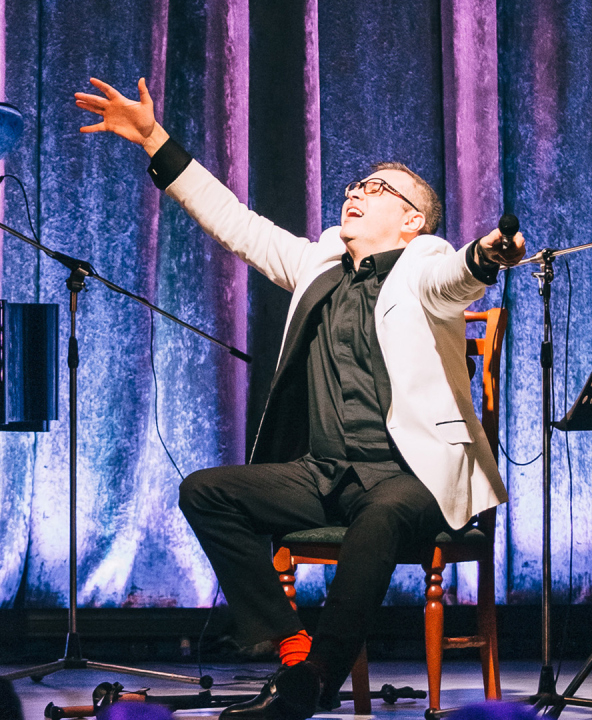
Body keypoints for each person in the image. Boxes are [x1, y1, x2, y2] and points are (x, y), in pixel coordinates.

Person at [75, 78, 525, 720]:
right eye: (356, 186)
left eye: (377, 190)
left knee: (380, 516)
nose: (356, 193)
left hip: (414, 475)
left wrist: (486, 255)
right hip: (326, 474)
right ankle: (292, 647)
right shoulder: (318, 264)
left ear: (411, 221)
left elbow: (457, 276)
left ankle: (316, 679)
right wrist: (153, 137)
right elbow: (233, 222)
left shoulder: (424, 262)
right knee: (206, 491)